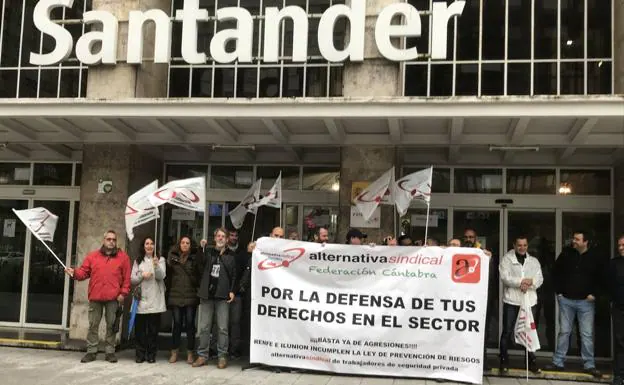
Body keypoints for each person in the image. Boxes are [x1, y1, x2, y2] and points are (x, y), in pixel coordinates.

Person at [64, 230, 131, 363]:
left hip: (113, 298)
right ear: (104, 240)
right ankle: (91, 351)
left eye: (114, 240)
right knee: (93, 325)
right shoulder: (92, 256)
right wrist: (74, 273)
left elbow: (127, 278)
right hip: (95, 297)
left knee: (112, 326)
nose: (111, 242)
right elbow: (83, 273)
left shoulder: (123, 258)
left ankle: (110, 352)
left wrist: (123, 293)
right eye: (109, 239)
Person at [549, 230, 602, 378]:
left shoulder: (594, 257)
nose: (574, 241)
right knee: (564, 332)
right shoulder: (566, 254)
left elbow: (602, 277)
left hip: (586, 302)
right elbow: (555, 272)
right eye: (574, 238)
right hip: (566, 300)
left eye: (577, 239)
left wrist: (594, 294)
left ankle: (589, 365)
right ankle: (558, 362)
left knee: (586, 334)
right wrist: (559, 292)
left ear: (585, 242)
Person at [498, 236, 543, 374]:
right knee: (507, 331)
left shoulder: (534, 261)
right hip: (512, 301)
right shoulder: (507, 259)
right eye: (519, 245)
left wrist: (531, 283)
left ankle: (531, 362)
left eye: (524, 245)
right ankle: (504, 361)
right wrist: (521, 282)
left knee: (529, 331)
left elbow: (539, 278)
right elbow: (505, 277)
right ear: (514, 245)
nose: (522, 248)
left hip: (529, 302)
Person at [193, 228, 236, 369]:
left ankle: (222, 356)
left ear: (227, 239)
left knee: (222, 328)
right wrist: (201, 248)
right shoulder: (209, 252)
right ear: (214, 238)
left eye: (223, 236)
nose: (221, 238)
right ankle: (202, 355)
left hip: (223, 295)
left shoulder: (231, 255)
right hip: (207, 295)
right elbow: (198, 264)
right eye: (218, 236)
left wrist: (232, 291)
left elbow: (234, 275)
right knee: (204, 327)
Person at [131, 236, 166, 363]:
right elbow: (132, 279)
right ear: (143, 246)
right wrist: (141, 275)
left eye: (152, 243)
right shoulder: (138, 261)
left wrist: (156, 266)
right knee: (140, 330)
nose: (150, 246)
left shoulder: (160, 259)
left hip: (155, 300)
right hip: (141, 300)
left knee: (153, 330)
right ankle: (140, 354)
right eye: (147, 243)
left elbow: (161, 276)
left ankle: (151, 355)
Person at [166, 236, 200, 364]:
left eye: (187, 243)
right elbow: (168, 277)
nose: (185, 245)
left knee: (190, 324)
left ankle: (190, 353)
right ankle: (174, 351)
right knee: (177, 324)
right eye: (183, 242)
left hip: (190, 296)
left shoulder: (194, 258)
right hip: (176, 295)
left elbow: (198, 275)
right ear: (179, 244)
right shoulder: (173, 257)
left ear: (190, 245)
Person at [609, 235, 624, 385]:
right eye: (619, 245)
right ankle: (619, 375)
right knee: (620, 342)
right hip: (619, 307)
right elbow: (609, 284)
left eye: (623, 245)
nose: (620, 248)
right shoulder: (614, 264)